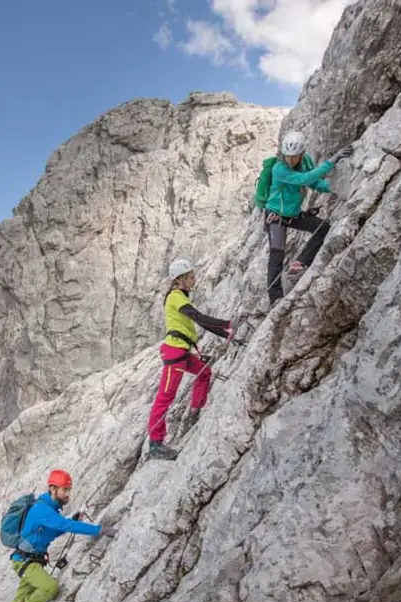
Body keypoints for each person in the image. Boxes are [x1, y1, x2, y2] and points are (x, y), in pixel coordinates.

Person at [0, 469, 116, 602]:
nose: (67, 494)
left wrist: (73, 519)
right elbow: (65, 526)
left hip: (29, 561)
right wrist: (99, 529)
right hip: (27, 562)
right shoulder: (42, 509)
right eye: (64, 490)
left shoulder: (48, 509)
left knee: (18, 600)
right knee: (50, 587)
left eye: (68, 490)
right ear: (52, 489)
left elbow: (54, 531)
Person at [146, 259, 240, 461]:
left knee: (204, 372)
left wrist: (227, 333)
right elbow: (198, 317)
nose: (193, 279)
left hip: (181, 352)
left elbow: (199, 321)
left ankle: (195, 411)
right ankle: (155, 444)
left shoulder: (179, 296)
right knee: (165, 397)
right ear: (180, 279)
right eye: (190, 277)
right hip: (174, 354)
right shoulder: (175, 297)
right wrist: (227, 324)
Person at [262, 130, 353, 304]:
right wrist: (331, 161)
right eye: (287, 155)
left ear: (302, 153)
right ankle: (275, 298)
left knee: (323, 228)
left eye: (294, 156)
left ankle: (301, 262)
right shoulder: (279, 169)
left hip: (292, 215)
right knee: (277, 256)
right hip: (275, 218)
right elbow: (304, 179)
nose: (290, 159)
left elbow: (315, 183)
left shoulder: (305, 162)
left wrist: (334, 187)